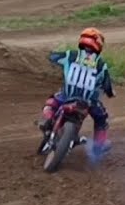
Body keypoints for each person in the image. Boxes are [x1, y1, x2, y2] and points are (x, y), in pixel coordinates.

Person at [40, 27, 115, 156]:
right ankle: (98, 146)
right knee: (101, 118)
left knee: (51, 103)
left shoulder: (70, 55)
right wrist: (110, 93)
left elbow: (53, 57)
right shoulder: (101, 65)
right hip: (88, 103)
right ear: (98, 44)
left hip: (66, 96)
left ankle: (47, 119)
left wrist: (50, 56)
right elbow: (107, 86)